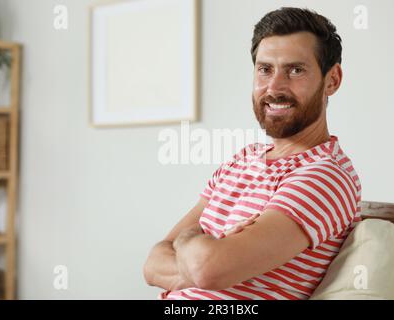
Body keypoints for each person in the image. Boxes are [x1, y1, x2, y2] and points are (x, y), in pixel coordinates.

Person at [143, 7, 361, 300]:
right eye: (265, 69)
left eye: (295, 70)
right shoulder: (242, 160)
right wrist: (198, 256)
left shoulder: (324, 175)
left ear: (332, 80)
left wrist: (188, 239)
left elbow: (209, 269)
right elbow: (152, 265)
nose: (274, 87)